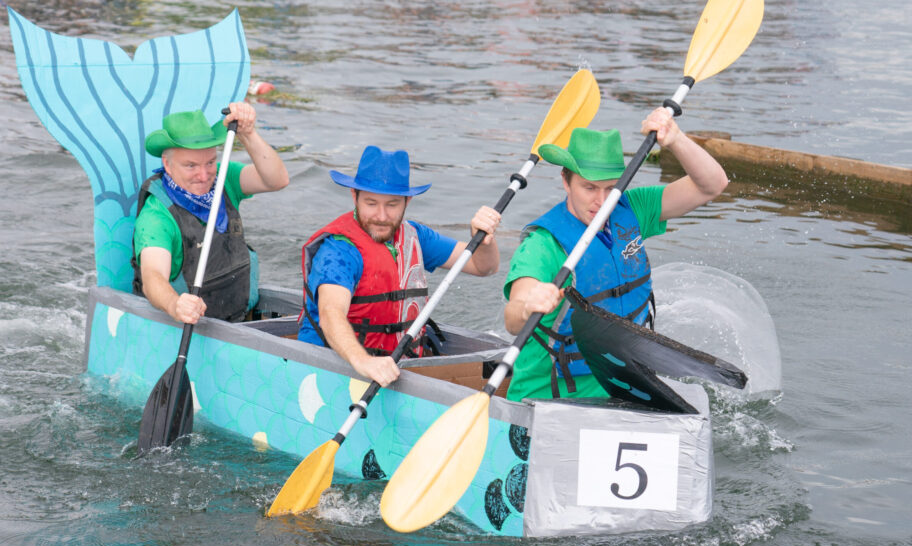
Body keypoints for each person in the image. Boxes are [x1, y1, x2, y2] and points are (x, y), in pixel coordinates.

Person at [503, 107, 729, 401]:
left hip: (625, 384)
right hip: (552, 397)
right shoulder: (543, 244)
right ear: (565, 181)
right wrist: (526, 306)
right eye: (589, 187)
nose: (600, 201)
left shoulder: (633, 209)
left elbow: (713, 185)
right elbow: (513, 319)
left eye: (611, 188)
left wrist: (676, 140)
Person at [299, 145, 502, 387]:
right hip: (331, 368)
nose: (382, 216)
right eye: (371, 203)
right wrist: (363, 361)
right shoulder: (339, 249)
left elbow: (483, 267)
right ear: (354, 196)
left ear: (407, 201)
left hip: (395, 367)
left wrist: (485, 241)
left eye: (392, 204)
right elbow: (331, 313)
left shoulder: (415, 236)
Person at [132, 102, 289, 324]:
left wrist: (249, 134)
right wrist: (175, 305)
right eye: (191, 166)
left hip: (239, 316)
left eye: (210, 163)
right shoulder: (156, 216)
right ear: (167, 165)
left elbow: (277, 180)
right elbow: (153, 277)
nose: (204, 176)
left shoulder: (225, 178)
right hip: (193, 322)